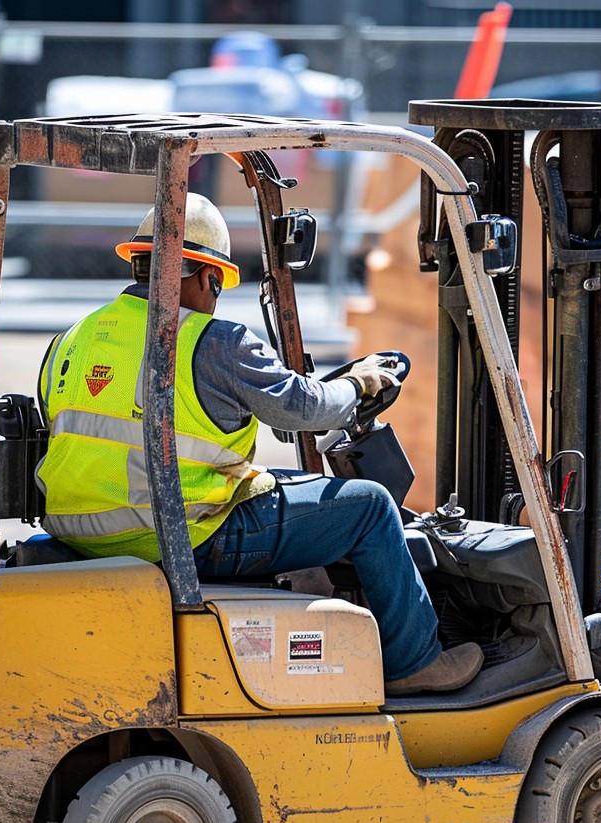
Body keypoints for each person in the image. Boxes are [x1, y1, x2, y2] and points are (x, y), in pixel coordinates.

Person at [36, 193, 483, 695]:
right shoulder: (214, 342)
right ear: (208, 277)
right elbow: (306, 408)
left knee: (288, 491)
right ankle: (414, 662)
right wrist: (358, 384)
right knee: (371, 508)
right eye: (218, 287)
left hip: (82, 532)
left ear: (139, 264)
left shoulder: (73, 339)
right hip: (181, 536)